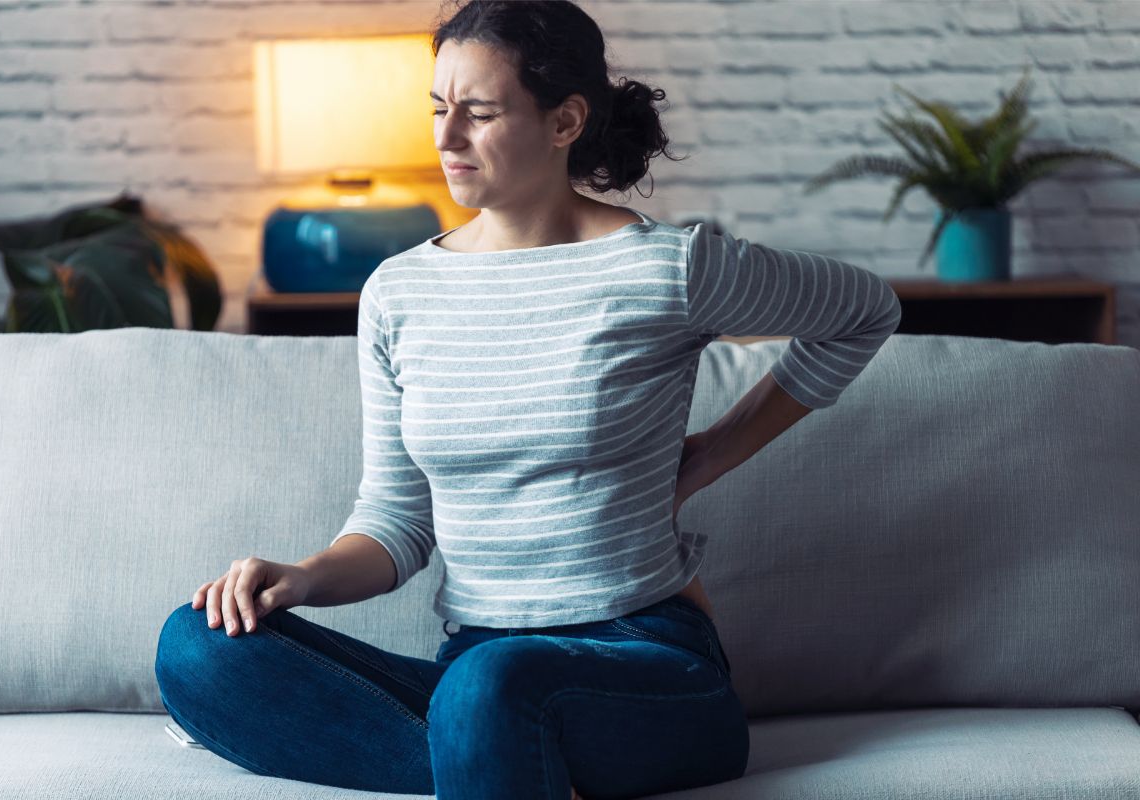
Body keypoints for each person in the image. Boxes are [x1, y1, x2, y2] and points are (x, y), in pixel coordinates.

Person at [154, 1, 902, 798]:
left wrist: (712, 454)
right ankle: (511, 760)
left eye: (477, 113)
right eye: (438, 109)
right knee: (197, 648)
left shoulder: (667, 268)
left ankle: (497, 750)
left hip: (646, 660)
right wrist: (301, 577)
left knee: (489, 690)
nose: (445, 138)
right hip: (478, 665)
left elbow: (864, 312)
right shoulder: (398, 292)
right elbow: (398, 524)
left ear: (564, 122)